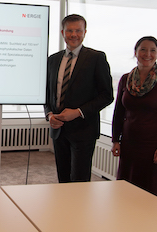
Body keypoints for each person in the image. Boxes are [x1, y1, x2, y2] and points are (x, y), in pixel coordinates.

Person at [44, 14, 113, 183]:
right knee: (63, 178)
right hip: (58, 130)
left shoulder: (96, 58)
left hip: (84, 130)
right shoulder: (53, 60)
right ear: (62, 32)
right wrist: (50, 115)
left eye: (78, 31)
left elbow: (106, 95)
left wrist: (78, 112)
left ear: (85, 32)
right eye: (69, 31)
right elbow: (46, 94)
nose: (73, 34)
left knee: (80, 180)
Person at [111, 36, 157, 196]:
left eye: (153, 50)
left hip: (155, 147)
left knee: (151, 194)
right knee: (127, 191)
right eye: (143, 49)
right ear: (136, 52)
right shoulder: (126, 79)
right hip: (130, 145)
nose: (148, 54)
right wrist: (115, 140)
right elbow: (119, 111)